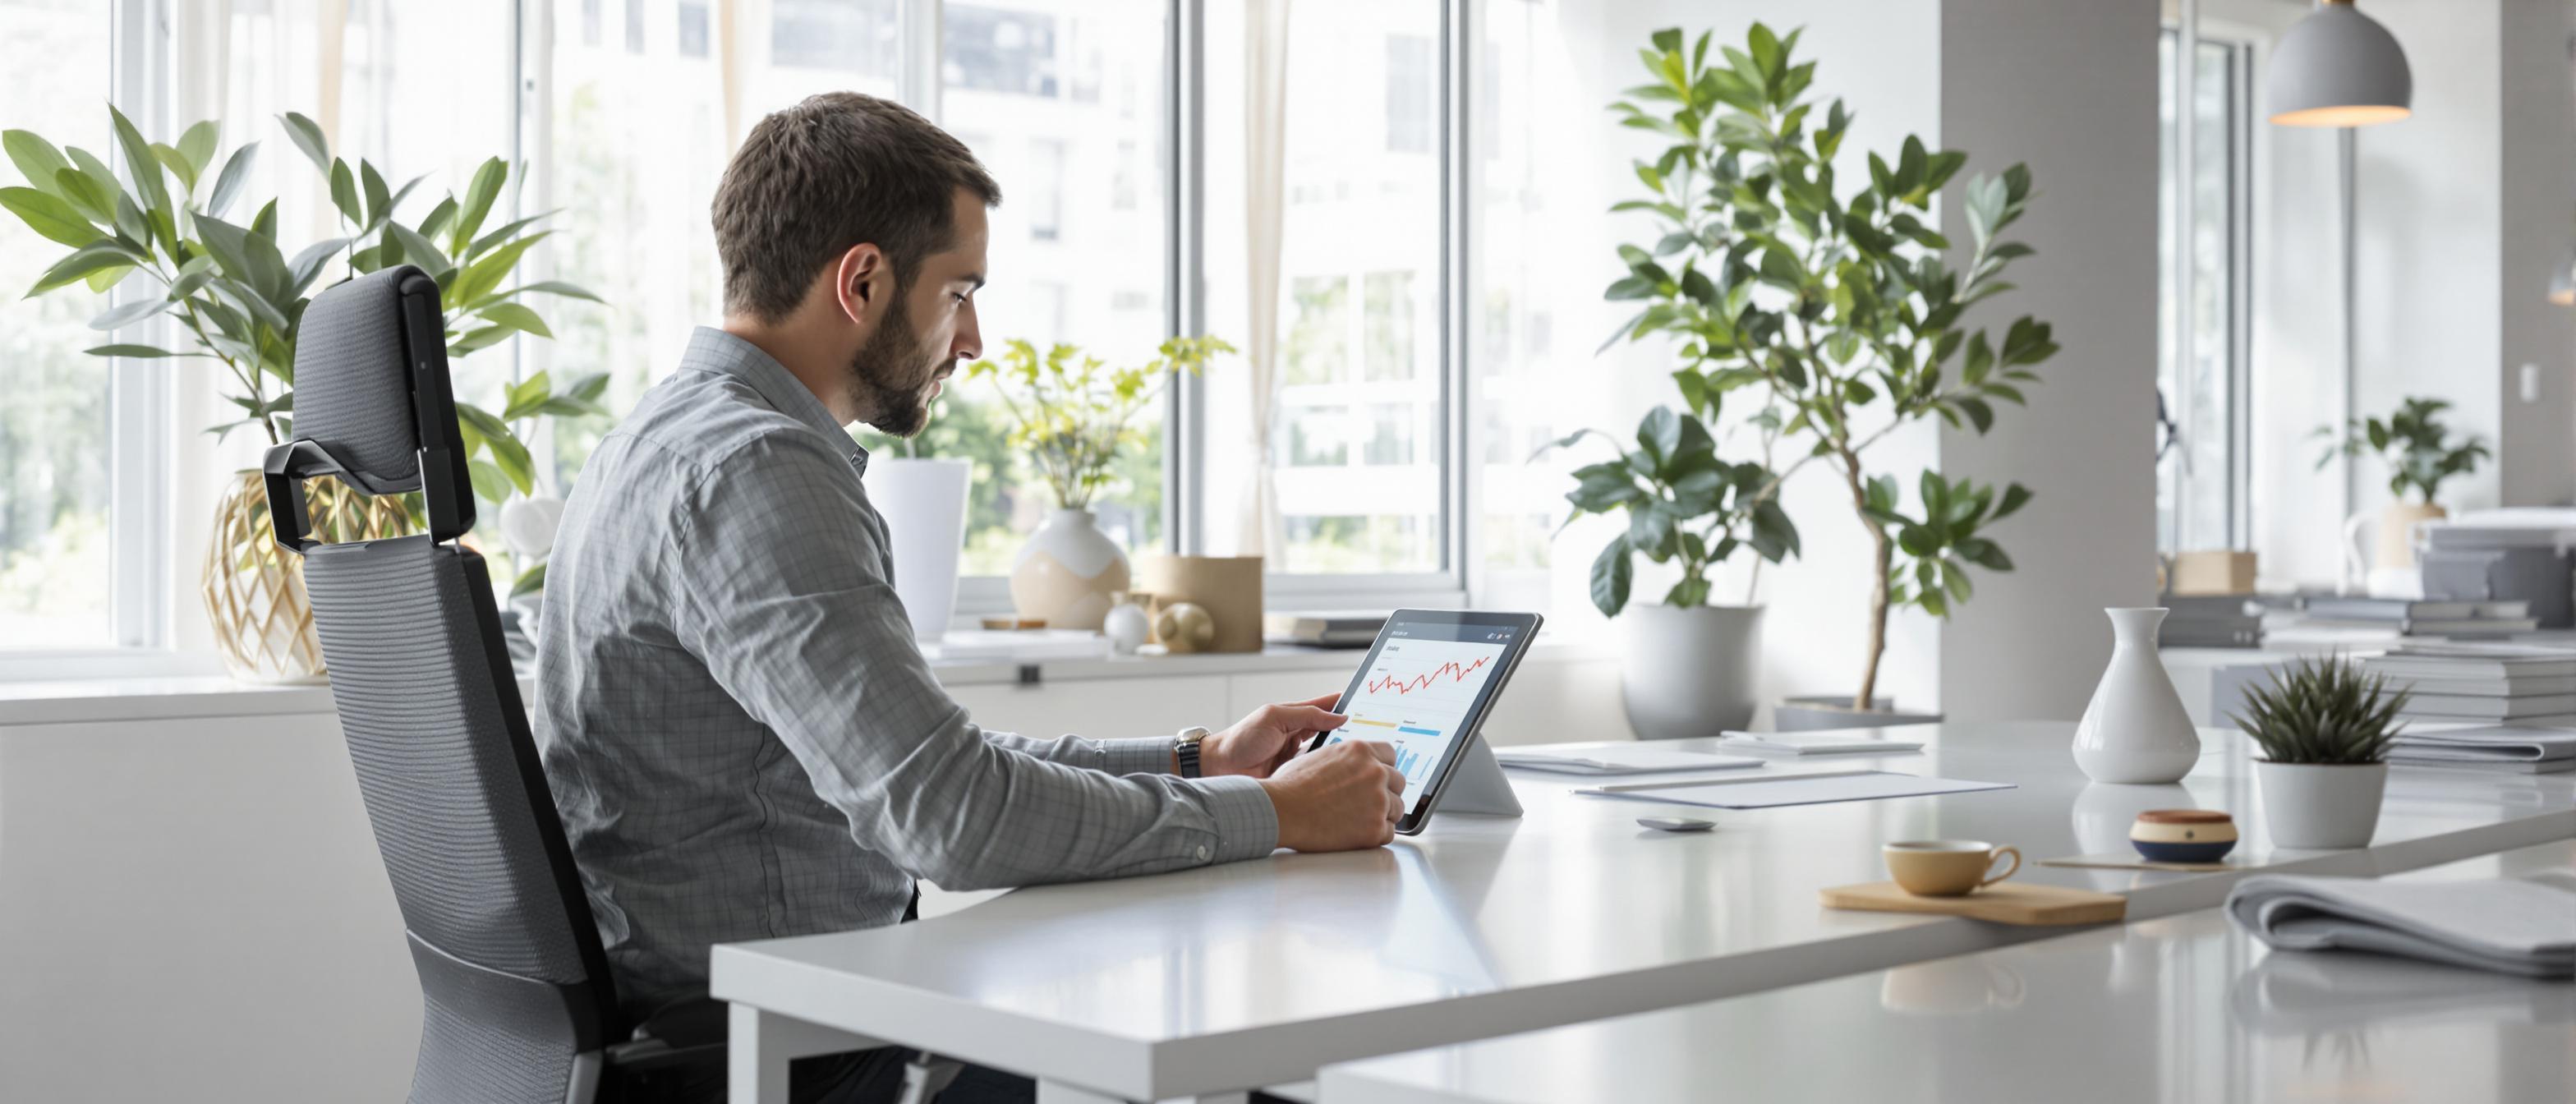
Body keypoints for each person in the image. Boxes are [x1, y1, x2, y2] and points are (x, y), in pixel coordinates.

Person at [533, 92, 1406, 1103]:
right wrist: (1271, 814)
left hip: (748, 1014)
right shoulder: (758, 474)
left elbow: (934, 769)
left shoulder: (660, 438)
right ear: (861, 280)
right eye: (959, 292)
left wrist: (1197, 760)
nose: (974, 337)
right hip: (792, 1051)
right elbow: (953, 820)